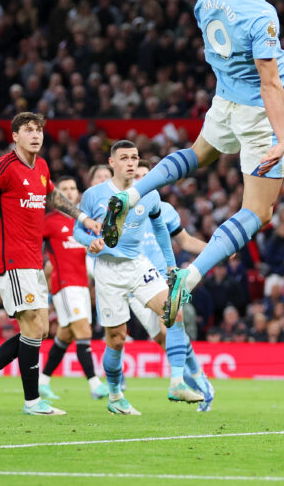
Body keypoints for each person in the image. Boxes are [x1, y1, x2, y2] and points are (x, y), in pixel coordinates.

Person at [100, 0, 284, 329]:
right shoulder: (261, 12)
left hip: (224, 100)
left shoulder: (206, 0)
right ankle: (190, 276)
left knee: (199, 154)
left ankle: (131, 195)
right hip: (256, 111)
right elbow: (270, 81)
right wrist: (282, 136)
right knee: (259, 211)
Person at [0, 112, 101, 416]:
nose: (36, 135)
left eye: (39, 130)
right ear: (15, 136)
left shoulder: (41, 166)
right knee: (32, 324)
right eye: (28, 130)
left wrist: (83, 218)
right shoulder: (4, 167)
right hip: (11, 258)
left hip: (33, 260)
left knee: (38, 329)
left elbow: (54, 197)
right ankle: (32, 402)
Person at [73, 140, 203, 415]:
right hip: (108, 269)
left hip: (138, 264)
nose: (131, 162)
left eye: (134, 157)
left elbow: (161, 230)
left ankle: (177, 382)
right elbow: (77, 231)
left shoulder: (150, 193)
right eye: (124, 158)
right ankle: (115, 395)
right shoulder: (95, 195)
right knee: (117, 339)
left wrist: (171, 266)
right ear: (112, 163)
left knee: (174, 310)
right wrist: (90, 242)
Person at [130, 163, 216, 411]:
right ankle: (198, 379)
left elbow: (185, 241)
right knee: (165, 341)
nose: (142, 180)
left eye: (146, 176)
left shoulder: (165, 210)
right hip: (133, 283)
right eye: (137, 176)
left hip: (159, 280)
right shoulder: (124, 209)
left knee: (172, 321)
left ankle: (195, 381)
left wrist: (216, 250)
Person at [38, 175, 108, 401]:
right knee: (84, 331)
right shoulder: (50, 221)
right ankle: (95, 384)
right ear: (56, 195)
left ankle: (42, 382)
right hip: (64, 285)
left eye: (72, 188)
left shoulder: (84, 223)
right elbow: (30, 241)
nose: (69, 192)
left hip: (82, 286)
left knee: (66, 334)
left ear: (78, 193)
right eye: (64, 189)